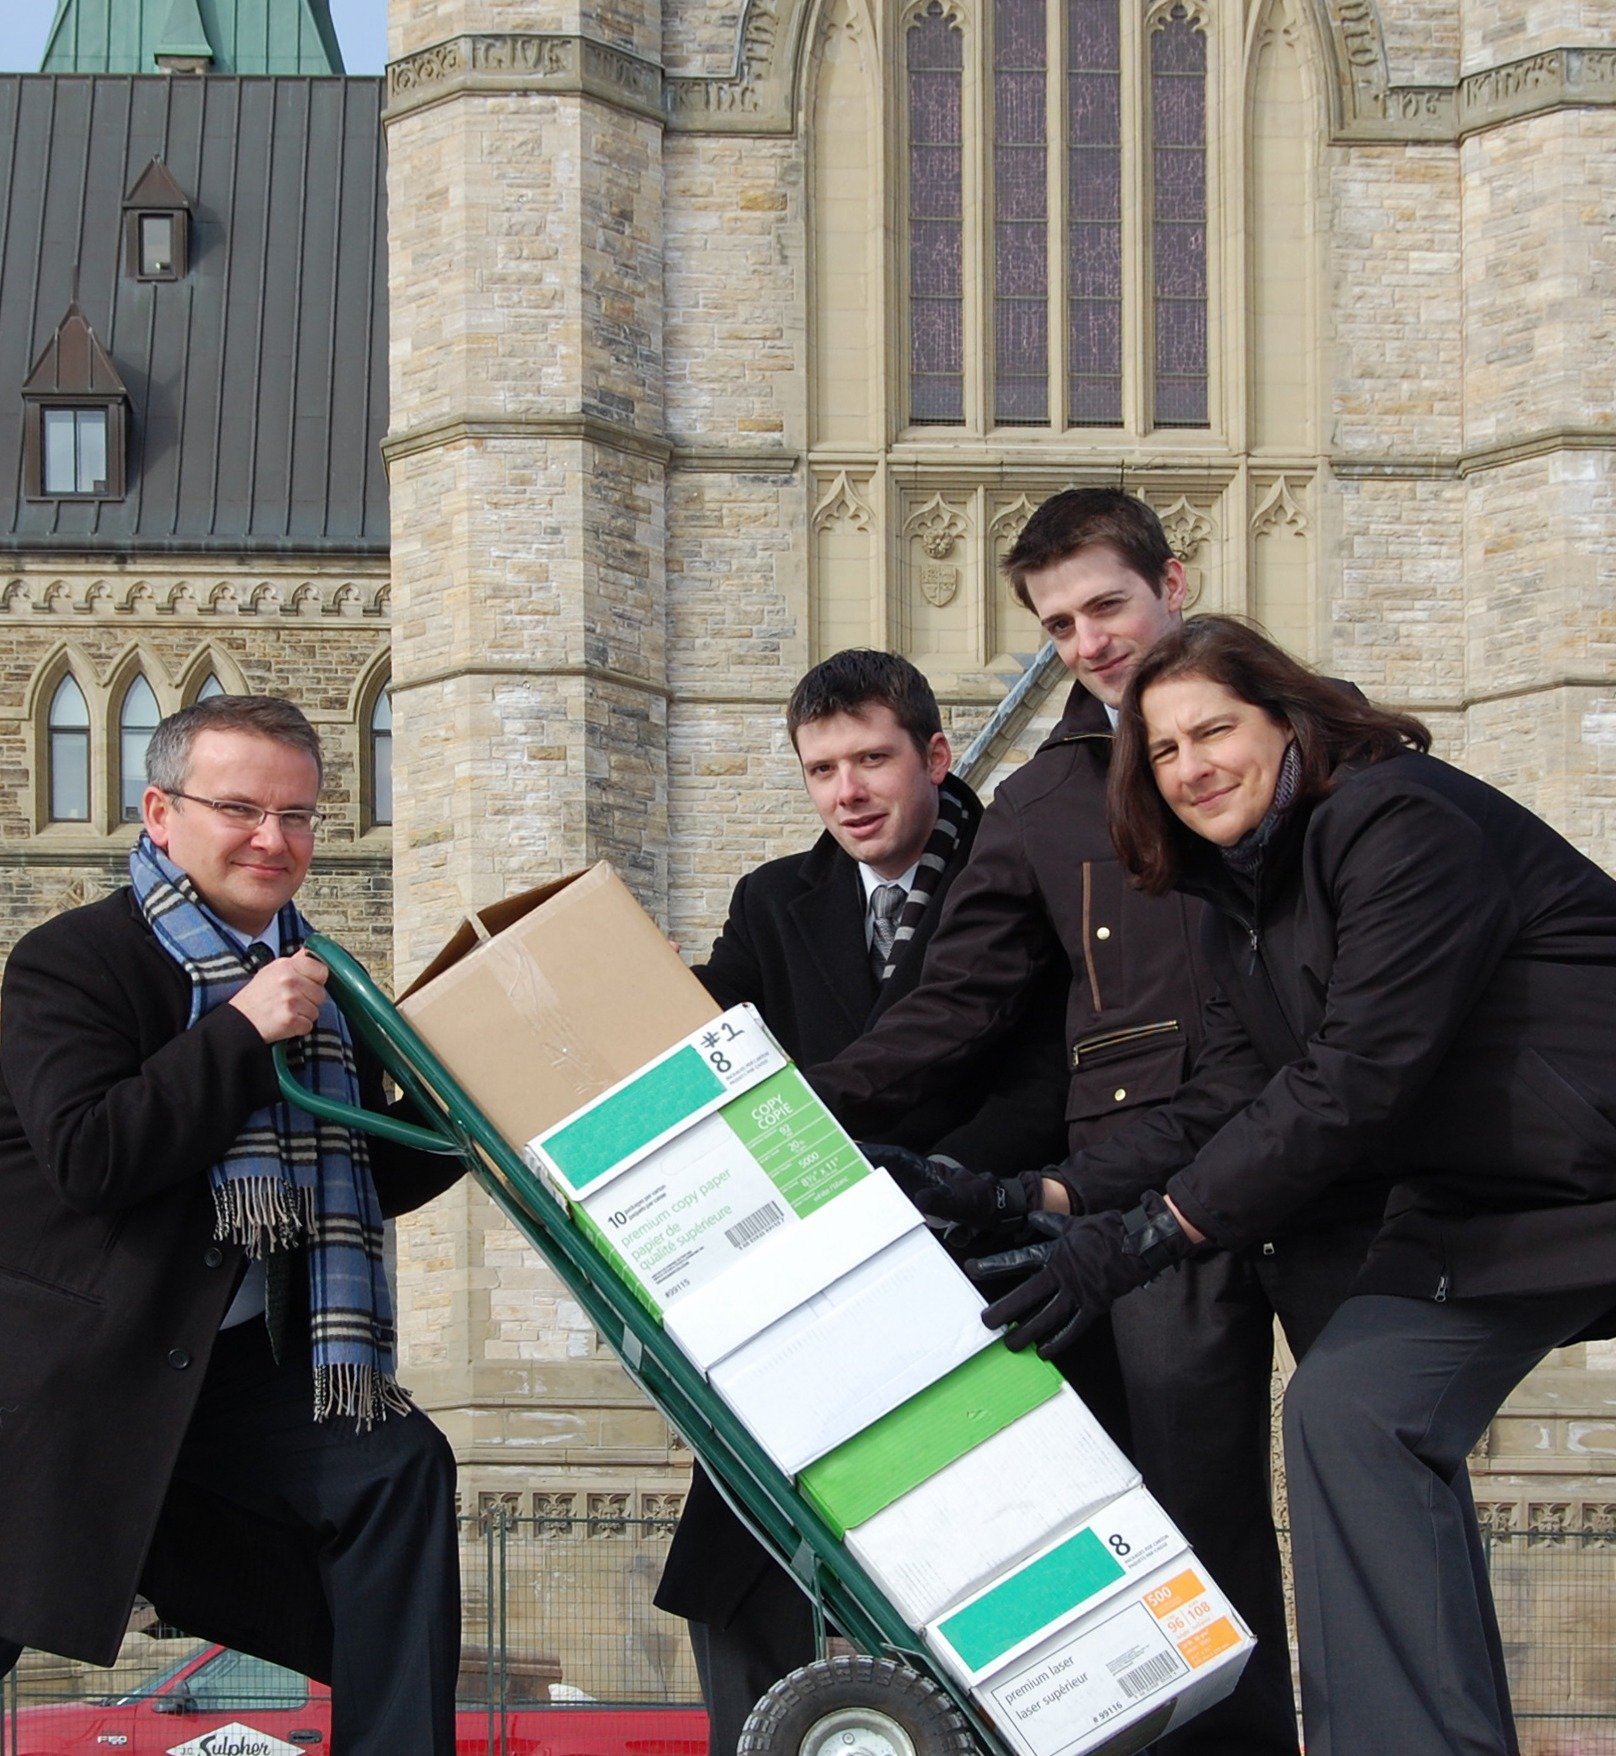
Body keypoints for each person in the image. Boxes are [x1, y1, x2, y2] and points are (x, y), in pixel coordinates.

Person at [964, 614, 1616, 1755]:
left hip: (1585, 1169)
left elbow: (1349, 1081)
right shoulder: (1239, 903)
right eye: (1162, 751)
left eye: (1213, 729)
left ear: (1287, 718)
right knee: (1349, 1411)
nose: (1191, 765)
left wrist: (1153, 1235)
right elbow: (1216, 1094)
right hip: (1477, 1206)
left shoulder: (1397, 821)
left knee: (1352, 1410)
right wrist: (1036, 1198)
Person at [810, 490, 1377, 1756]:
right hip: (1138, 1184)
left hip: (1330, 1156)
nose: (1087, 643)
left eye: (1104, 606)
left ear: (1171, 580)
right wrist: (809, 1101)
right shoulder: (1043, 801)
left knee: (1369, 1476)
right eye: (1057, 625)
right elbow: (958, 1000)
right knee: (1189, 1507)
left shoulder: (1311, 732)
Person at [0, 696, 465, 1756]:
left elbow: (346, 1178)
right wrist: (243, 1030)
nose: (275, 838)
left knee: (395, 1467)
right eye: (242, 808)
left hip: (226, 1373)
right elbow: (93, 1155)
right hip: (59, 1386)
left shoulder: (323, 987)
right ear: (160, 813)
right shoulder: (74, 961)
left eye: (299, 815)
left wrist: (475, 1107)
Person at [653, 648, 1076, 1756]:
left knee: (993, 1574)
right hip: (805, 1280)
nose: (846, 790)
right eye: (821, 767)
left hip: (980, 1261)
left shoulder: (1024, 869)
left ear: (933, 755)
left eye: (872, 759)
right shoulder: (771, 902)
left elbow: (1050, 1077)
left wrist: (925, 1193)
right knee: (734, 1571)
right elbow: (710, 1055)